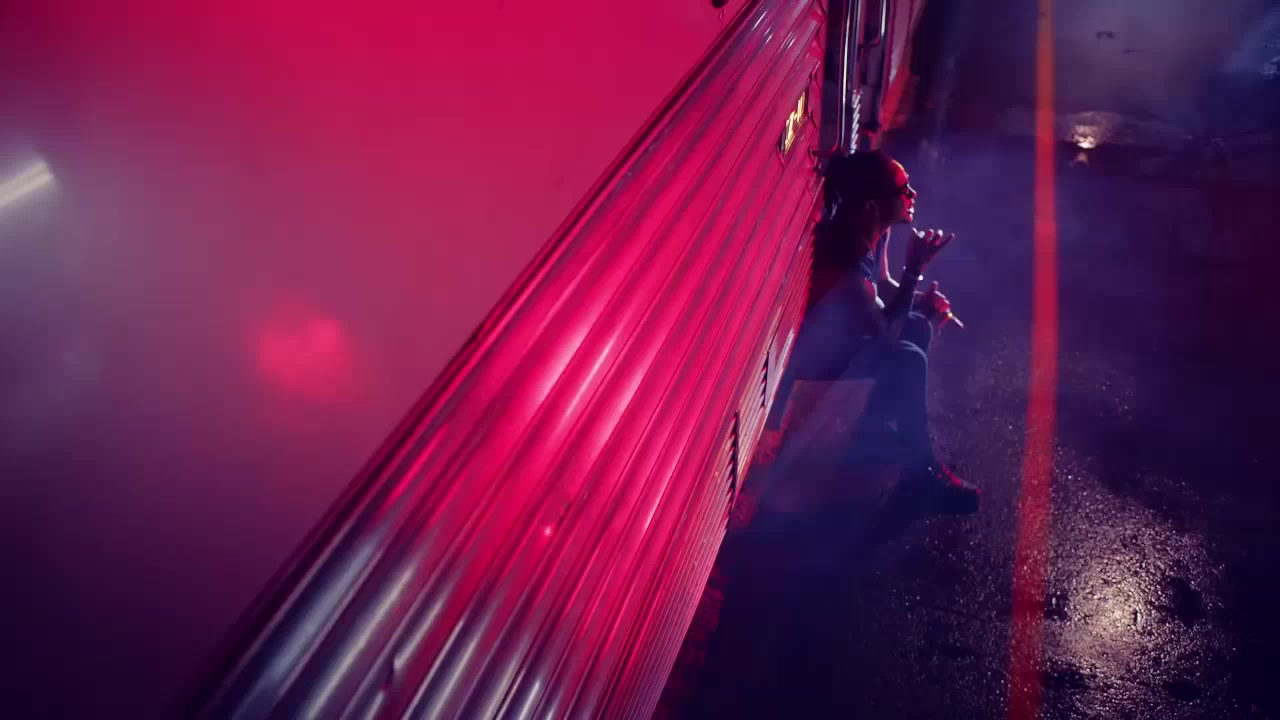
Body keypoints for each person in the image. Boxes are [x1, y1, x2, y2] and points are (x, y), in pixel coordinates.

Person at [765, 149, 979, 516]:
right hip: (812, 355)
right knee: (908, 357)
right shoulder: (844, 259)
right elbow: (885, 333)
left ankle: (872, 430)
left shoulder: (874, 233)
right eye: (902, 190)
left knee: (917, 323)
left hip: (847, 330)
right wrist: (914, 271)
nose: (912, 194)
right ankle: (920, 479)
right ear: (871, 207)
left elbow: (882, 285)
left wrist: (921, 299)